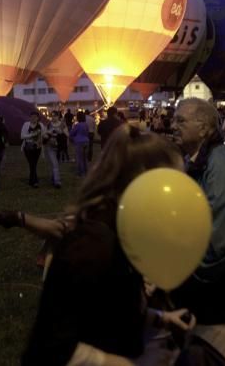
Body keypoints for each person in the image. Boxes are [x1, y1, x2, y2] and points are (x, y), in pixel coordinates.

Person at [21, 127, 194, 365]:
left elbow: (111, 306)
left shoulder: (123, 228)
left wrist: (160, 318)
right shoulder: (92, 246)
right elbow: (49, 348)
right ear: (141, 181)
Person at [170, 97, 225, 366]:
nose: (173, 125)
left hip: (222, 295)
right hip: (213, 295)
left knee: (222, 357)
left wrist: (189, 271)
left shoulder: (218, 163)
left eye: (181, 120)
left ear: (205, 127)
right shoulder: (200, 160)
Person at [21, 112, 45, 188]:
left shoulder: (40, 125)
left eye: (35, 117)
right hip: (28, 147)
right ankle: (34, 181)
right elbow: (22, 136)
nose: (33, 118)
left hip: (37, 147)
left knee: (34, 163)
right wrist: (32, 135)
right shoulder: (26, 125)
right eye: (32, 117)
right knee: (32, 163)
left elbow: (44, 134)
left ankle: (32, 180)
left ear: (38, 118)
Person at [70, 112, 91, 177]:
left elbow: (71, 133)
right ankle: (86, 171)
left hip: (79, 142)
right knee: (85, 158)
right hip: (86, 141)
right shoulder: (86, 125)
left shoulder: (77, 125)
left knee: (79, 158)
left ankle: (81, 173)